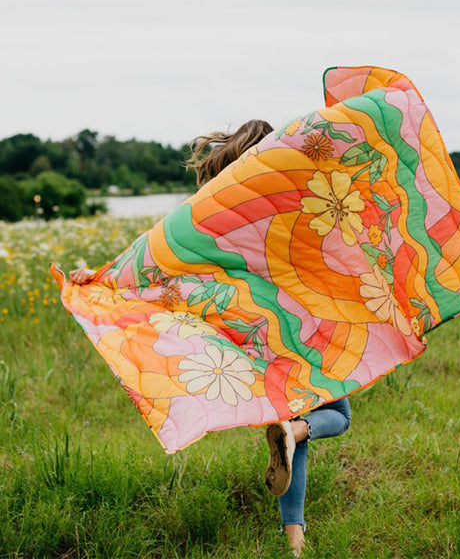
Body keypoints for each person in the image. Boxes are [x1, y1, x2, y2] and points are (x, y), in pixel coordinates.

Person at [68, 120, 352, 557]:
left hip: (255, 329)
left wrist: (103, 277)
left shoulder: (210, 210)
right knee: (337, 414)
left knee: (295, 418)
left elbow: (156, 249)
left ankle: (295, 534)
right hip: (306, 323)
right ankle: (294, 449)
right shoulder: (292, 194)